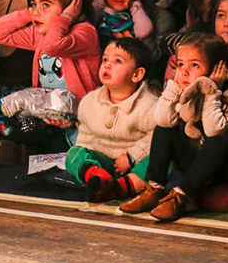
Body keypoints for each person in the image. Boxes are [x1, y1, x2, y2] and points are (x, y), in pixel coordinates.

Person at [119, 31, 228, 223]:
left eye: (194, 65)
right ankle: (154, 189)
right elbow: (161, 120)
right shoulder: (183, 89)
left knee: (217, 141)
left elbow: (214, 130)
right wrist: (173, 87)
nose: (184, 72)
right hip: (196, 165)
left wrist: (212, 90)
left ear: (217, 68)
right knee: (164, 128)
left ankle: (179, 197)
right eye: (180, 64)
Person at [0, 0, 101, 163]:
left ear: (73, 7)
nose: (37, 11)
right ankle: (8, 147)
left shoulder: (85, 33)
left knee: (29, 126)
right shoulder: (40, 34)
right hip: (44, 110)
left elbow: (54, 46)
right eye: (33, 3)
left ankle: (23, 149)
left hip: (74, 116)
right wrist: (28, 13)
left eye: (45, 5)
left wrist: (64, 19)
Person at [66, 38, 160, 202]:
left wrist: (131, 157)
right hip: (102, 163)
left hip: (133, 166)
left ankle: (122, 188)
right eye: (105, 59)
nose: (108, 65)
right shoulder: (90, 101)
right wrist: (89, 158)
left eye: (118, 61)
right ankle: (97, 177)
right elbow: (86, 136)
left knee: (159, 161)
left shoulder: (149, 105)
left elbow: (157, 137)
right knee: (73, 154)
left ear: (137, 74)